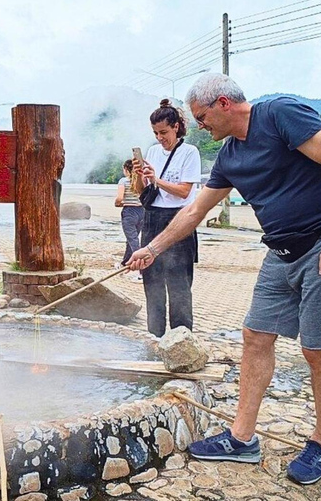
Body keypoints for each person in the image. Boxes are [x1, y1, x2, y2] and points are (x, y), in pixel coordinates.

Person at [127, 74, 321, 484]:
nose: (200, 126)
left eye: (201, 117)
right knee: (255, 335)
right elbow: (194, 212)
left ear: (223, 103)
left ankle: (320, 446)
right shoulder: (230, 156)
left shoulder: (280, 113)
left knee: (316, 351)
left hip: (318, 246)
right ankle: (241, 439)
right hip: (281, 252)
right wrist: (152, 249)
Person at [132, 99, 201, 338]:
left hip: (179, 219)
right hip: (152, 218)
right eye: (155, 133)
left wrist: (157, 179)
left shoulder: (189, 152)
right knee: (152, 282)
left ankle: (181, 339)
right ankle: (154, 337)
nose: (160, 137)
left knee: (179, 284)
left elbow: (184, 191)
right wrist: (140, 175)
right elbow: (143, 191)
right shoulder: (152, 151)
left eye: (163, 132)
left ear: (176, 127)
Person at [115, 159, 144, 281]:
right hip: (142, 212)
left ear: (126, 170)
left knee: (133, 240)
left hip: (129, 213)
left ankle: (142, 271)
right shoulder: (141, 181)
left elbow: (119, 198)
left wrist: (118, 203)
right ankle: (124, 264)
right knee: (132, 239)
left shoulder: (124, 181)